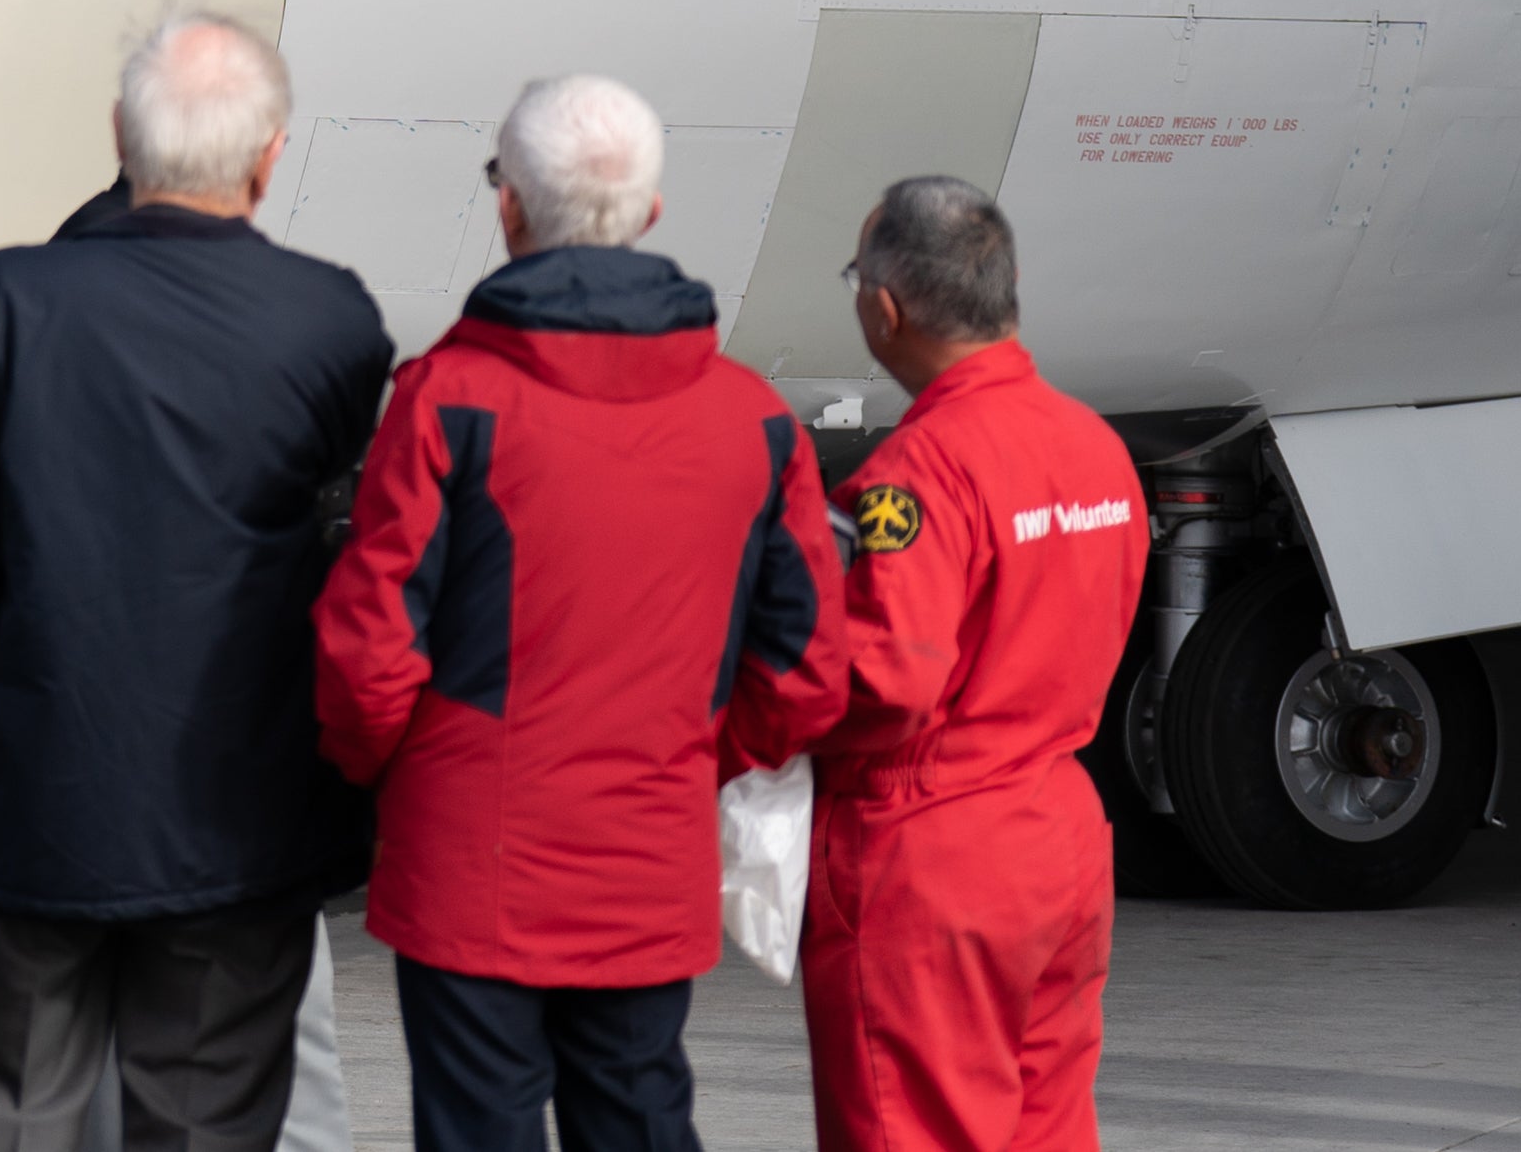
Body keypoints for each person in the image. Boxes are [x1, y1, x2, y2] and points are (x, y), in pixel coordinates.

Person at [0, 19, 385, 1152]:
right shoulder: (330, 320)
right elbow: (354, 585)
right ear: (268, 154)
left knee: (2, 1121)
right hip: (236, 836)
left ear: (119, 138)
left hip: (22, 823)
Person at [315, 74, 847, 1152]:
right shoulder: (749, 416)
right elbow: (805, 676)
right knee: (641, 1120)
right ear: (649, 212)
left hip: (469, 861)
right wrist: (693, 752)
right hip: (645, 857)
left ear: (506, 204)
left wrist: (396, 773)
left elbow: (368, 652)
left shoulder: (446, 397)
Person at [801, 179, 1143, 1152]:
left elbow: (883, 683)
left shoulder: (909, 479)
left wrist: (759, 717)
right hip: (1058, 837)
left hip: (932, 854)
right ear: (1006, 287)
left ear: (882, 308)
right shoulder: (1092, 449)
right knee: (1044, 1128)